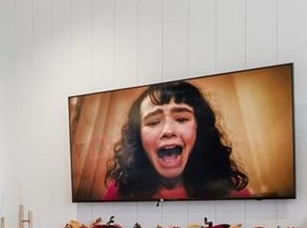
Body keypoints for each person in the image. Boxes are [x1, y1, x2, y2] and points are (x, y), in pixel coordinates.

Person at [102, 80, 250, 200]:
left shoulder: (231, 190)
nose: (168, 131)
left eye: (181, 119)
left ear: (198, 129)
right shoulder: (120, 192)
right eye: (153, 122)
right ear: (138, 136)